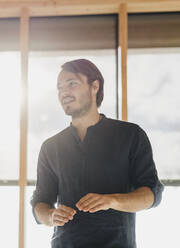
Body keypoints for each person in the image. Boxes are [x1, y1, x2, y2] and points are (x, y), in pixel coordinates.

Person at [31, 59, 163, 247]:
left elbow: (152, 194)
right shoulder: (50, 147)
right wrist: (51, 215)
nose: (64, 92)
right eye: (59, 88)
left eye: (72, 84)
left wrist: (112, 200)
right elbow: (40, 203)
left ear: (94, 86)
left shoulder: (131, 135)